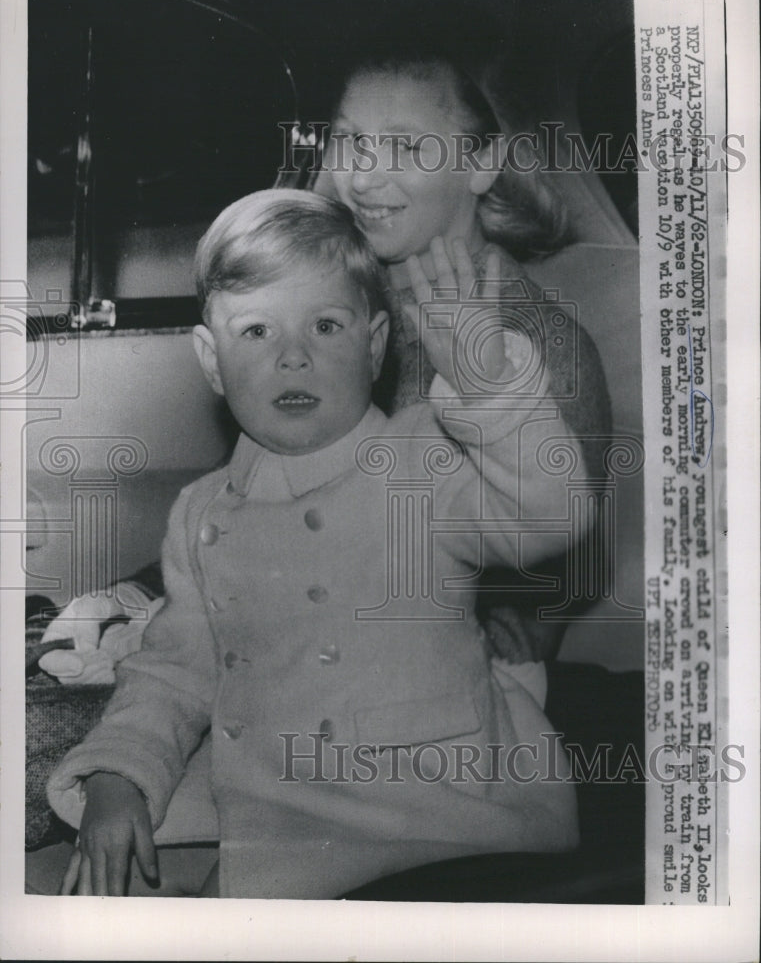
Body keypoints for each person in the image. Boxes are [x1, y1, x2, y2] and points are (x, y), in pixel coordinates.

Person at [46, 188, 587, 898]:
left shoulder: (421, 455)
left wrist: (491, 393)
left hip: (439, 819)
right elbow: (174, 674)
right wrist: (119, 775)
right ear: (210, 361)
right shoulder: (200, 512)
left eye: (326, 326)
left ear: (374, 345)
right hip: (275, 822)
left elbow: (553, 515)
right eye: (256, 332)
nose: (293, 357)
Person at [39, 39, 611, 686]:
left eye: (404, 147)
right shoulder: (330, 315)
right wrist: (146, 595)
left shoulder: (541, 351)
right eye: (350, 142)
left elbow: (537, 587)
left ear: (481, 164)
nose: (363, 178)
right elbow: (265, 513)